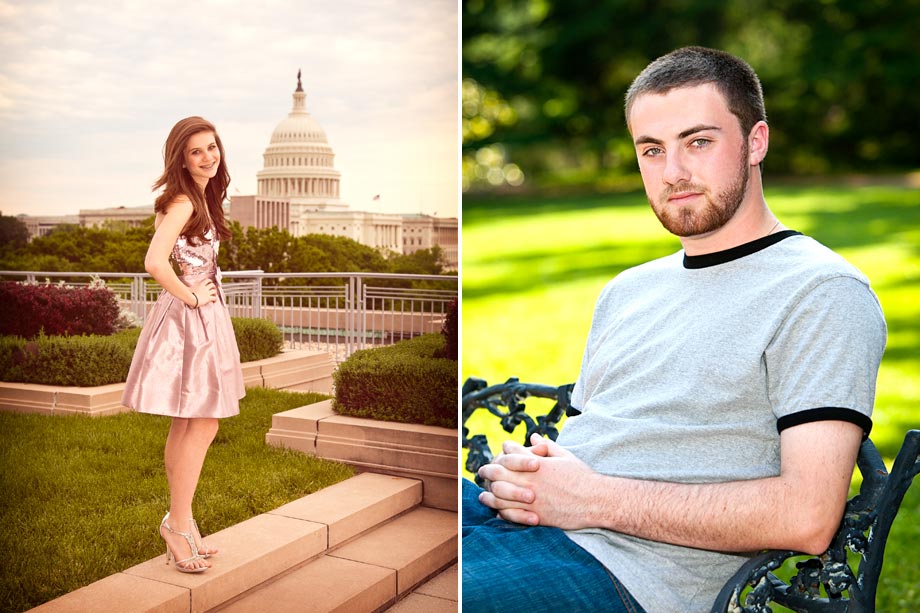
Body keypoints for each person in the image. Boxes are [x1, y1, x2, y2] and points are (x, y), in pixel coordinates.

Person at [462, 46, 887, 613]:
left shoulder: (821, 292)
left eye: (698, 142)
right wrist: (533, 476)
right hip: (523, 521)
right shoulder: (628, 290)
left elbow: (807, 516)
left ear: (756, 142)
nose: (673, 173)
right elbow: (598, 442)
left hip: (624, 575)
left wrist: (590, 500)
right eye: (652, 150)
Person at [122, 116, 245, 574]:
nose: (208, 156)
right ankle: (177, 523)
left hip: (199, 315)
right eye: (196, 151)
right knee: (204, 421)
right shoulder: (181, 202)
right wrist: (193, 295)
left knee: (188, 422)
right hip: (191, 317)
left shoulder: (200, 198)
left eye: (212, 147)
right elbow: (155, 261)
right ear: (181, 157)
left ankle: (182, 522)